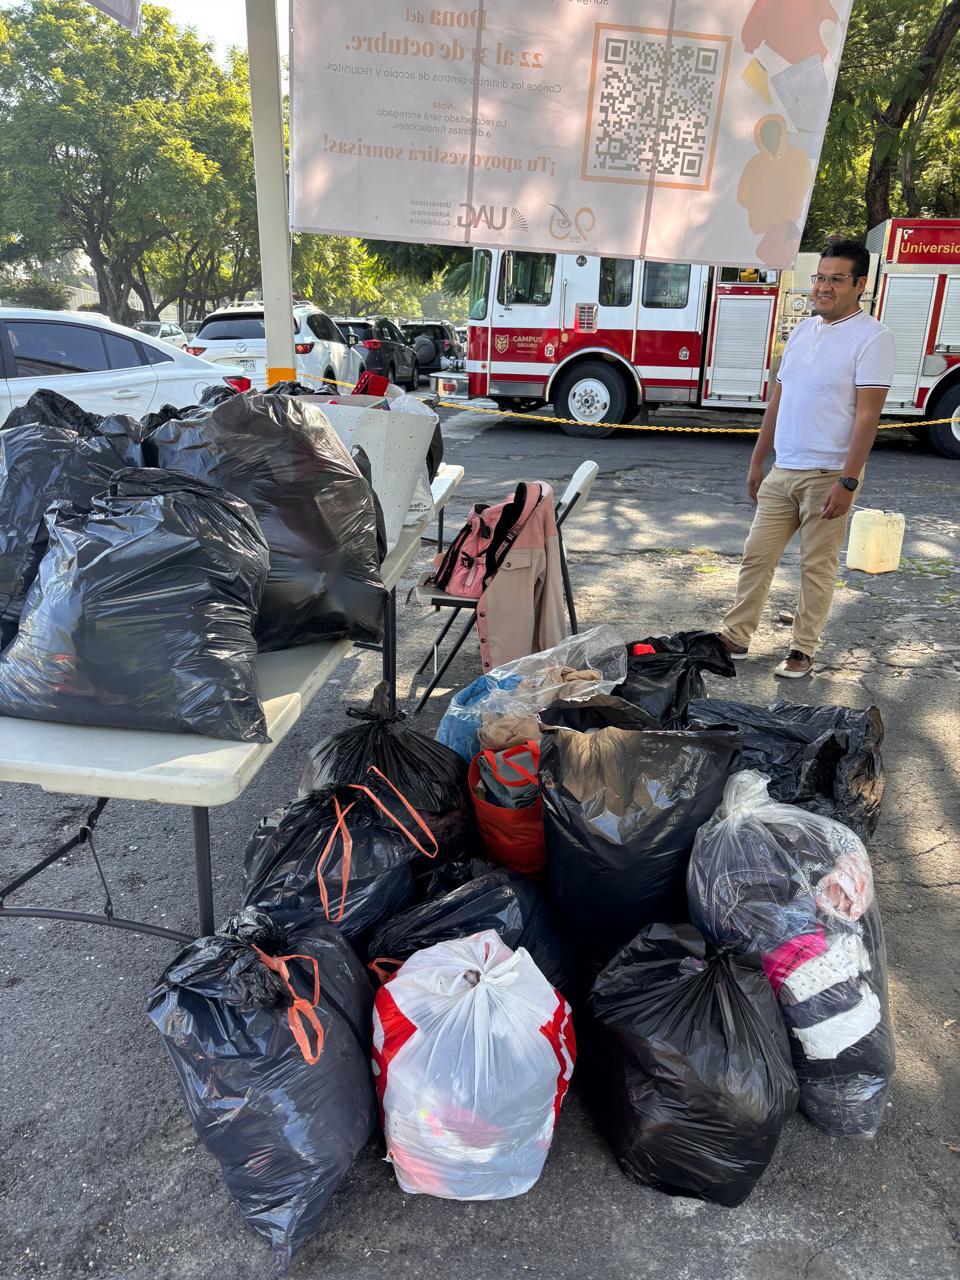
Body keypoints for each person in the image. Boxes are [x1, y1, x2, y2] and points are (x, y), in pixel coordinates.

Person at [720, 239, 896, 678]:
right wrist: (757, 461)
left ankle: (802, 649)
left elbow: (868, 418)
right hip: (784, 469)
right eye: (820, 277)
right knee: (756, 557)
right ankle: (735, 638)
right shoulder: (801, 332)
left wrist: (848, 481)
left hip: (829, 474)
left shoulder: (874, 338)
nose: (823, 287)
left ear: (860, 284)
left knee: (816, 568)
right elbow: (777, 401)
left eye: (837, 279)